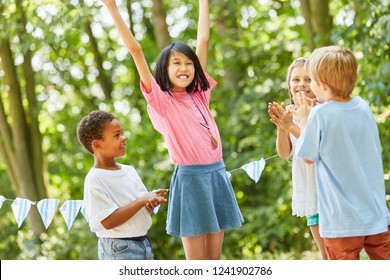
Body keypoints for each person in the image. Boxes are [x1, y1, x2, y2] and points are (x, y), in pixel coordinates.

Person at [100, 0, 243, 260]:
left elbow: (204, 39)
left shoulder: (200, 94)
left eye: (189, 63)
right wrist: (112, 7)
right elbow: (135, 50)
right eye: (176, 63)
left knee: (215, 261)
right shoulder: (161, 101)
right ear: (164, 70)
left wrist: (203, 3)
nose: (184, 68)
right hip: (190, 179)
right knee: (197, 265)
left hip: (217, 174)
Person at [294, 46, 390, 260]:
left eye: (311, 81)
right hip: (376, 216)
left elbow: (307, 157)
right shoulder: (362, 106)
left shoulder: (319, 114)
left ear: (323, 85)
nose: (309, 86)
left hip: (342, 221)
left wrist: (303, 119)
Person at [77, 110, 168, 260]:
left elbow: (140, 209)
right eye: (116, 135)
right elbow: (108, 221)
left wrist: (149, 203)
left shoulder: (129, 171)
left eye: (122, 133)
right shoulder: (94, 179)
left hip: (143, 243)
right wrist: (142, 200)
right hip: (119, 250)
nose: (123, 138)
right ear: (97, 144)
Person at [268, 58, 327, 260]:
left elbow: (317, 149)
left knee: (335, 251)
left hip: (326, 184)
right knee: (324, 253)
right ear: (289, 85)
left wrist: (292, 125)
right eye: (296, 79)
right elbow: (284, 153)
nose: (301, 84)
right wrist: (282, 125)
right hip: (308, 185)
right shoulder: (289, 114)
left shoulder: (323, 110)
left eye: (307, 79)